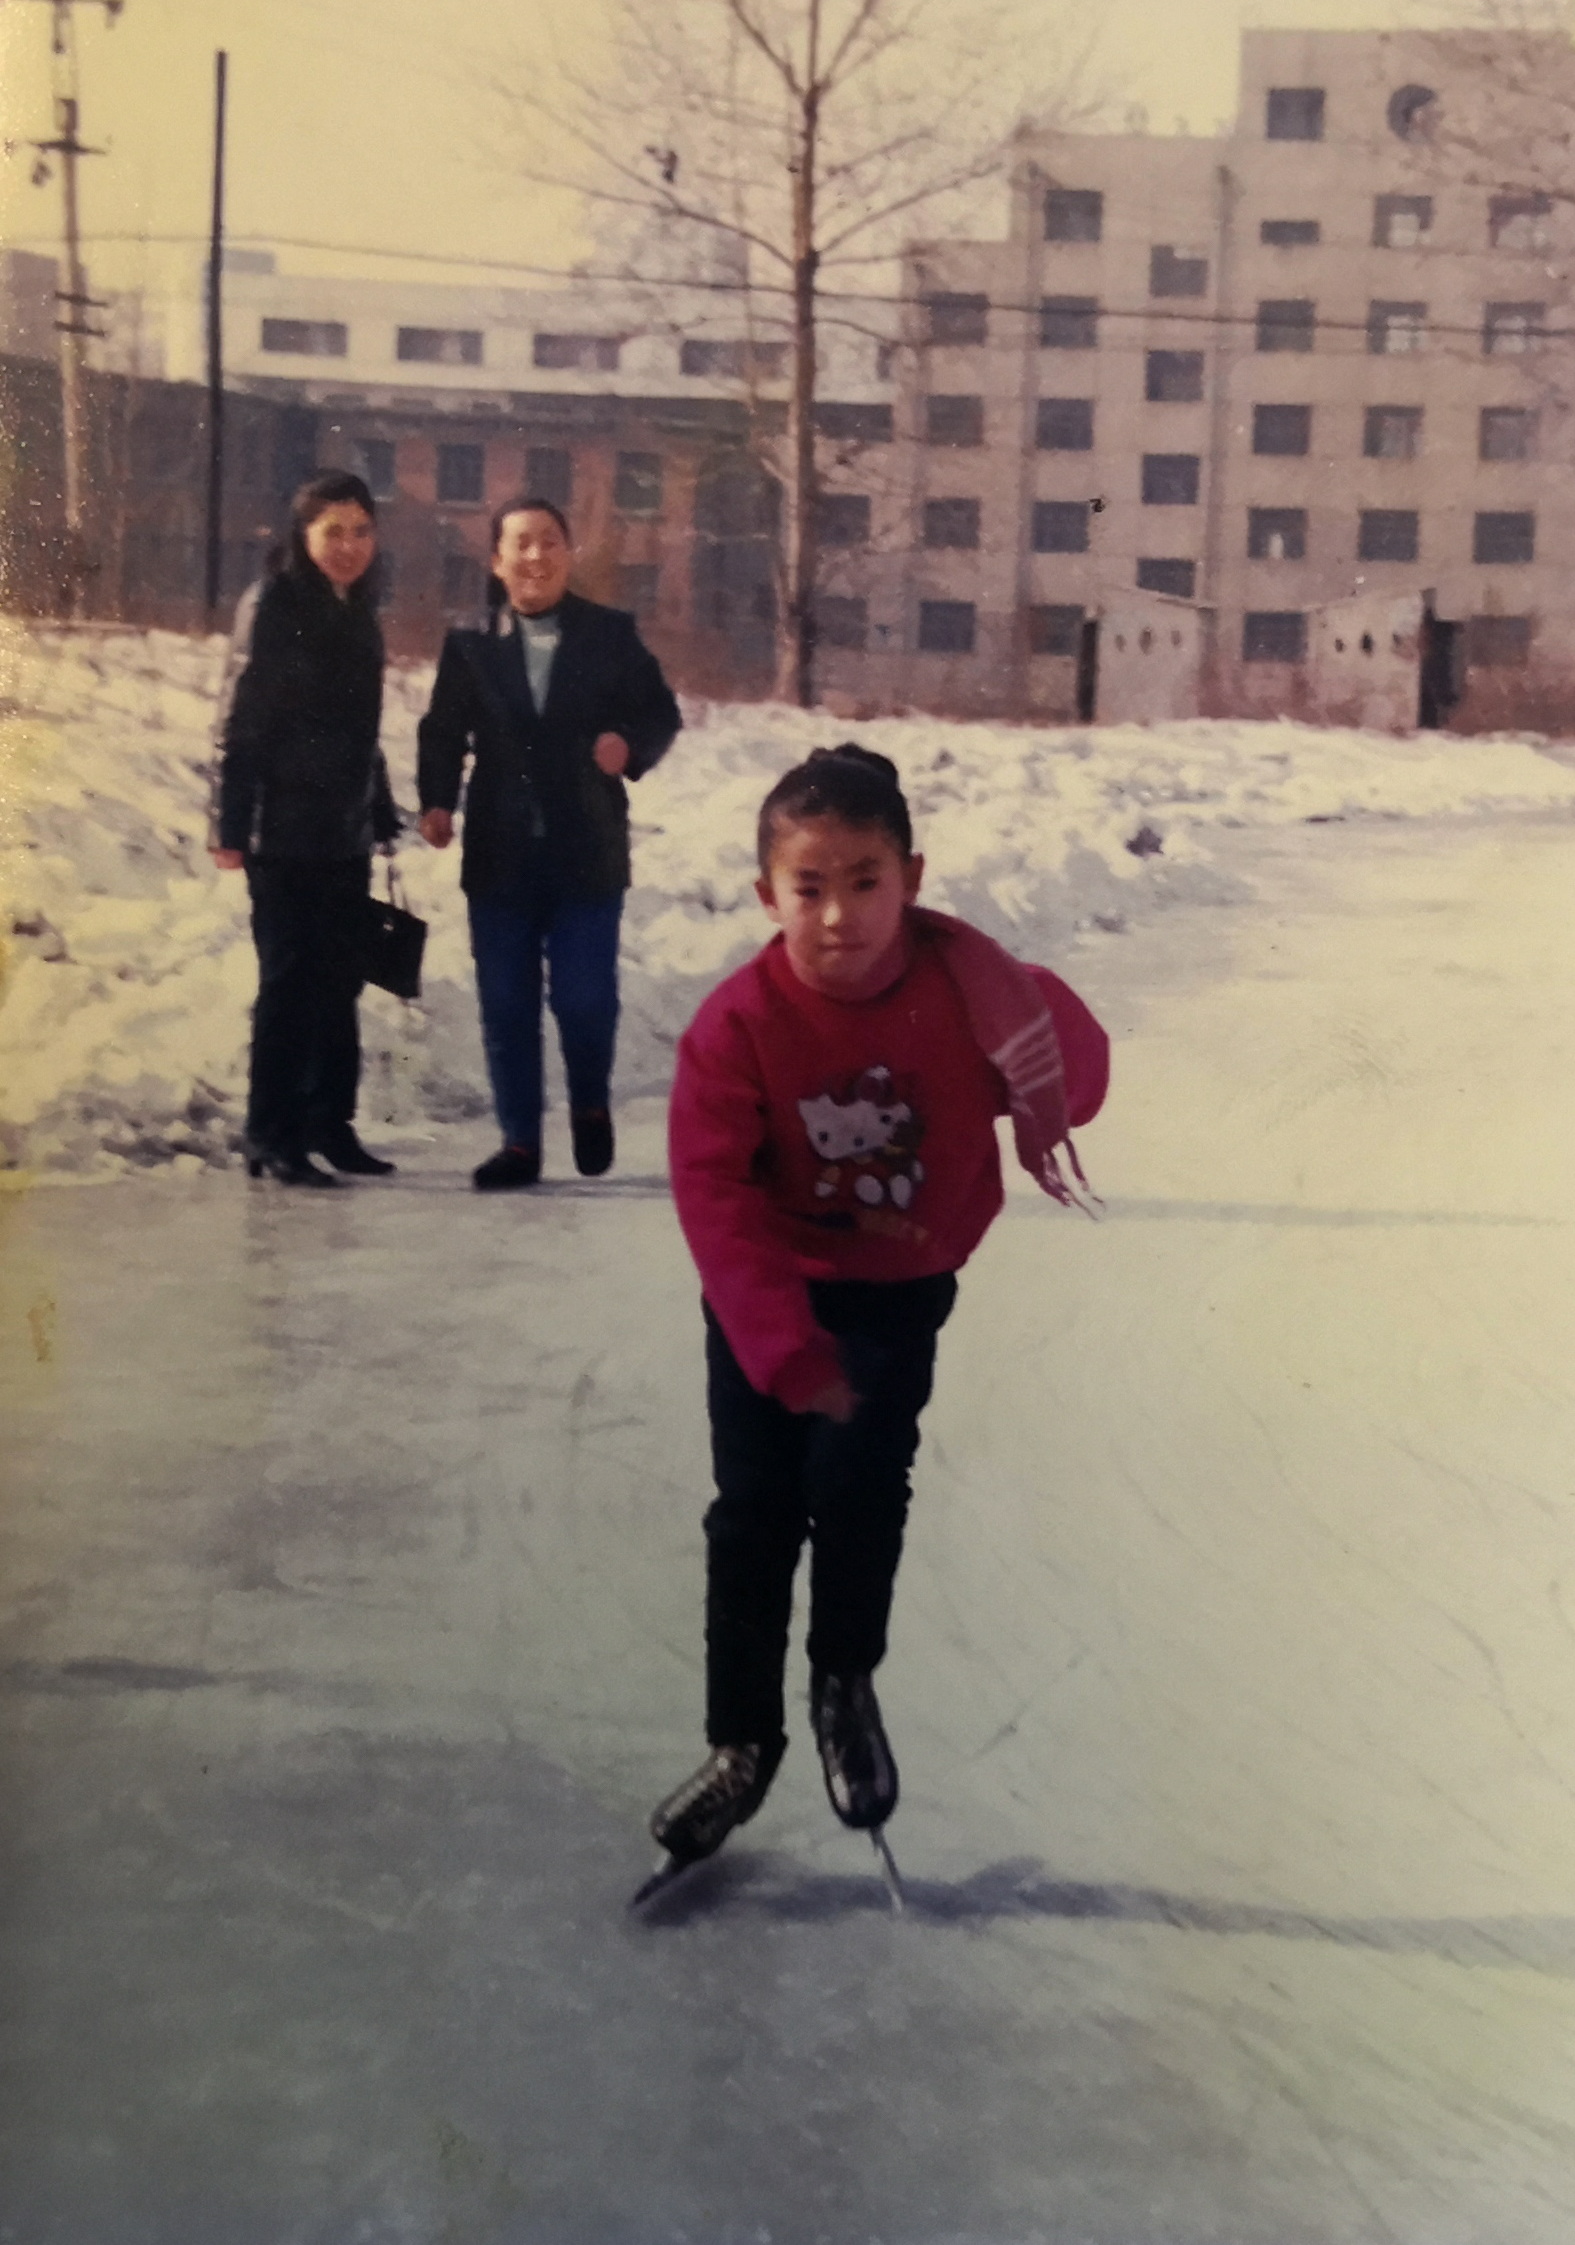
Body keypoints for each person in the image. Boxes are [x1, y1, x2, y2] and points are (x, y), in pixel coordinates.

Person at [651, 745, 1109, 1869]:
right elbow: (713, 1197)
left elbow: (1081, 1082)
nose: (840, 915)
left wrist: (1015, 988)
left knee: (856, 1486)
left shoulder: (967, 994)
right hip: (767, 1292)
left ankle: (843, 1680)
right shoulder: (738, 1026)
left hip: (896, 1289)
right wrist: (777, 1341)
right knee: (754, 1511)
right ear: (769, 896)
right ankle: (741, 1746)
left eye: (866, 882)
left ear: (911, 876)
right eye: (810, 888)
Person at [415, 496, 682, 1189]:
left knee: (584, 996)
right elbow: (443, 729)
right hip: (500, 851)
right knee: (505, 1001)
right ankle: (519, 1143)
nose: (535, 557)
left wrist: (629, 745)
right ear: (497, 561)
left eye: (549, 542)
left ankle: (590, 1100)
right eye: (520, 545)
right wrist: (438, 799)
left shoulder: (609, 635)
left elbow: (659, 711)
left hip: (585, 849)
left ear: (568, 554)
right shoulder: (469, 641)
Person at [210, 469, 401, 1188]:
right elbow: (240, 719)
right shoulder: (274, 602)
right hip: (281, 830)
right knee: (289, 983)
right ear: (302, 534)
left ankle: (330, 1124)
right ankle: (271, 1135)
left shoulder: (358, 608)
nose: (348, 546)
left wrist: (378, 807)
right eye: (332, 532)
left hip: (342, 829)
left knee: (340, 980)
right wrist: (229, 823)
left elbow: (359, 728)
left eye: (360, 531)